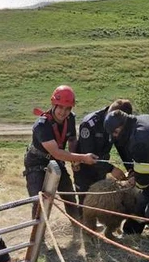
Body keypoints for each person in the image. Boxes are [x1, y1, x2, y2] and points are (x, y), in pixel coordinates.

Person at [24, 85, 98, 225]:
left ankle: (77, 225)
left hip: (56, 161)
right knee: (39, 200)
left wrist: (74, 159)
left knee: (68, 193)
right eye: (60, 107)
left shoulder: (70, 119)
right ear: (54, 104)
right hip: (36, 162)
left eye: (67, 108)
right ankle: (38, 236)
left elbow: (71, 139)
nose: (63, 112)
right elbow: (56, 152)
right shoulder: (42, 125)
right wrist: (82, 158)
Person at [73, 99, 133, 205]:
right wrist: (111, 169)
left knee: (99, 201)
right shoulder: (90, 124)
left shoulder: (118, 125)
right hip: (84, 170)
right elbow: (88, 154)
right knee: (85, 203)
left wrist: (131, 169)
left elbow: (122, 147)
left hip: (101, 169)